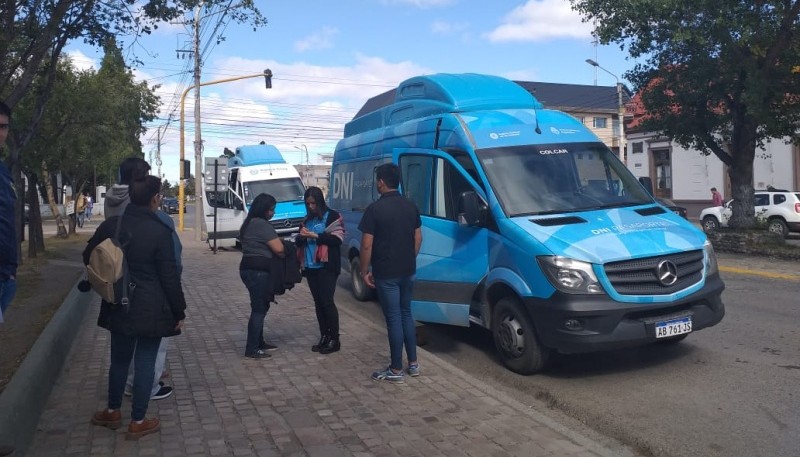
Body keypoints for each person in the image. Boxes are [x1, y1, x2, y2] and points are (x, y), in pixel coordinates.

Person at [85, 172, 186, 440]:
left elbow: (89, 256)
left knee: (118, 360)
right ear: (155, 199)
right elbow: (169, 277)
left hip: (118, 303)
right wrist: (179, 311)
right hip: (151, 308)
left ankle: (112, 411)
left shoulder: (112, 226)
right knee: (144, 363)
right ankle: (138, 421)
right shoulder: (161, 231)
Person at [106, 157, 179, 401]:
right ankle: (144, 396)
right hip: (149, 290)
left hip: (118, 285)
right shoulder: (157, 222)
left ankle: (114, 408)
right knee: (150, 351)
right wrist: (178, 310)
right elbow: (170, 270)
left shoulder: (112, 201)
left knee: (122, 354)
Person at [359, 163, 422, 384]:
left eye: (377, 180)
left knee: (394, 317)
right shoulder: (411, 206)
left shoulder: (374, 209)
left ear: (381, 182)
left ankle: (396, 369)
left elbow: (366, 245)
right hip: (408, 271)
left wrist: (364, 270)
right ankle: (413, 364)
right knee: (406, 314)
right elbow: (418, 238)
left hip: (386, 273)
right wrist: (408, 258)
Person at [296, 186, 345, 354]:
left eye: (313, 203)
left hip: (327, 266)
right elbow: (298, 241)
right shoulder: (307, 220)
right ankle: (324, 336)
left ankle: (334, 339)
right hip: (310, 266)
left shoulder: (332, 216)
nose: (311, 207)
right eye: (308, 204)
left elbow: (337, 239)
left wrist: (316, 236)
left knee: (327, 301)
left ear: (320, 202)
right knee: (318, 303)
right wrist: (301, 237)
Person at [239, 193, 285, 359]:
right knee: (259, 309)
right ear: (263, 210)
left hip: (248, 268)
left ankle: (259, 341)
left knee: (260, 306)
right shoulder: (261, 224)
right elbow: (279, 249)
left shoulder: (249, 222)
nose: (273, 213)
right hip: (258, 272)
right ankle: (252, 348)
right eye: (271, 210)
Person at [0, 101, 17, 328]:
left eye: (3, 127)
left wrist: (10, 273)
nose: (0, 133)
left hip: (5, 275)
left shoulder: (3, 170)